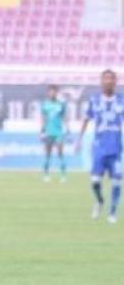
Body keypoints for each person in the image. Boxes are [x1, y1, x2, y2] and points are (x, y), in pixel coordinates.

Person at [76, 69, 123, 224]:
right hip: (99, 148)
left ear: (116, 82)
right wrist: (78, 140)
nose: (108, 81)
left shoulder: (121, 101)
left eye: (111, 79)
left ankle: (112, 211)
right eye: (105, 78)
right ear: (101, 82)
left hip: (116, 148)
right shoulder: (94, 100)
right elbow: (86, 120)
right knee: (95, 181)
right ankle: (100, 201)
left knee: (117, 180)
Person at [40, 85, 68, 182]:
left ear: (57, 93)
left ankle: (63, 175)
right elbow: (43, 118)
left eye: (54, 91)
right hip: (48, 132)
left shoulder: (61, 104)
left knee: (60, 153)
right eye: (50, 91)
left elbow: (64, 117)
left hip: (58, 132)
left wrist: (67, 128)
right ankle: (46, 175)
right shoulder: (45, 104)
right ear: (48, 93)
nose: (52, 93)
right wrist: (42, 131)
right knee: (48, 154)